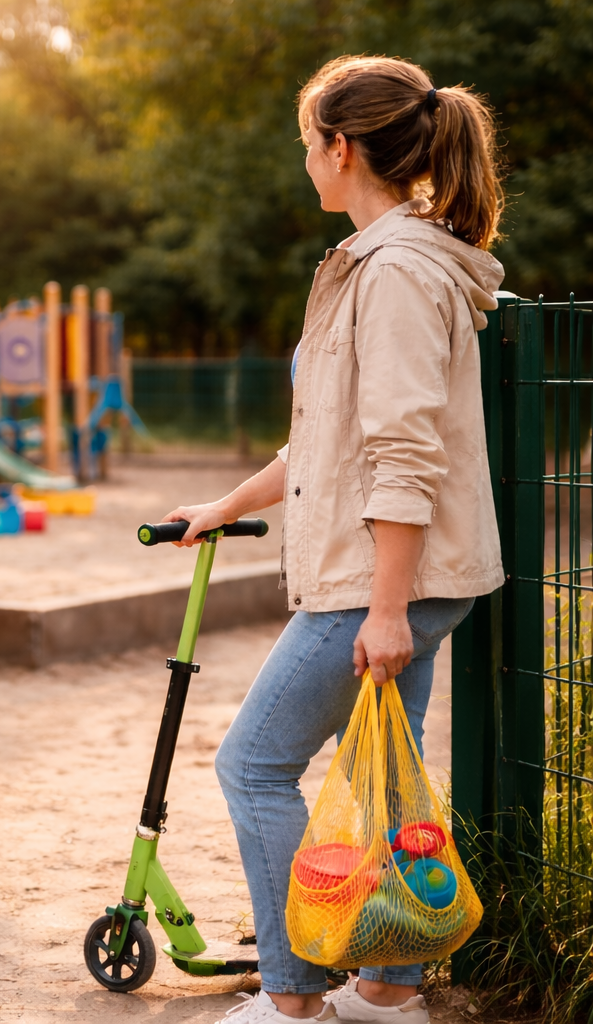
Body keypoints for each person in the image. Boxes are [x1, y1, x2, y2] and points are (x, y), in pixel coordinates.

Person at [164, 56, 505, 1024]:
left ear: (340, 148)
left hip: (379, 579)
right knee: (388, 779)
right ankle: (389, 987)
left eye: (307, 144)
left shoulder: (393, 272)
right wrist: (221, 508)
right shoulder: (386, 260)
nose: (305, 161)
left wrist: (387, 606)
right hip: (407, 575)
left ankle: (293, 998)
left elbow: (403, 449)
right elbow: (328, 438)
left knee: (253, 767)